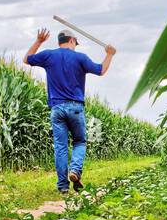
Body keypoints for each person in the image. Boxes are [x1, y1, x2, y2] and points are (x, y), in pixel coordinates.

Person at [24, 28, 116, 194]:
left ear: (60, 41)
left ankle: (63, 187)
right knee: (79, 142)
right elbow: (101, 70)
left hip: (57, 108)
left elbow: (27, 59)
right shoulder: (80, 57)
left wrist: (39, 41)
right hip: (75, 107)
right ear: (72, 40)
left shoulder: (49, 55)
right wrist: (109, 54)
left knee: (60, 147)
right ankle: (75, 170)